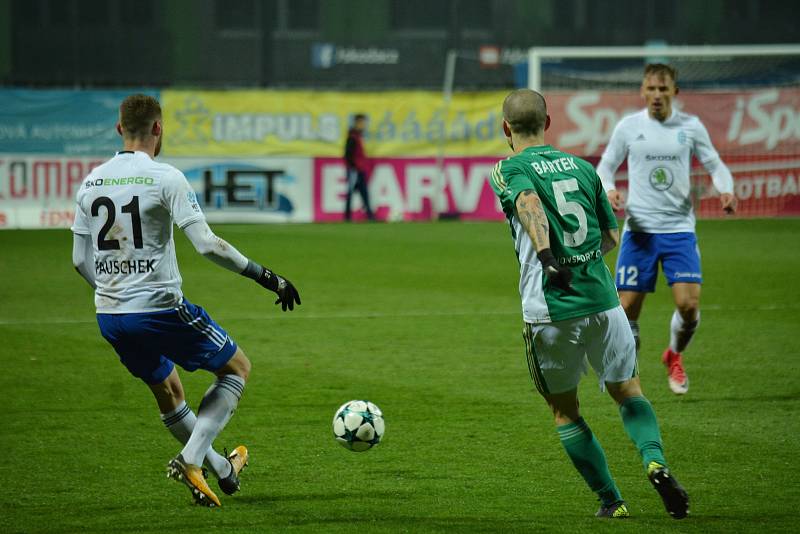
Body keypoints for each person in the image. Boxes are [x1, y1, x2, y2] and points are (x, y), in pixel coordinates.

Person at [71, 94, 301, 507]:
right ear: (158, 128)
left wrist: (113, 294)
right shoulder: (166, 178)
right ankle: (191, 459)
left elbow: (78, 260)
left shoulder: (91, 182)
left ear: (118, 129)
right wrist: (268, 277)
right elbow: (209, 245)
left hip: (109, 314)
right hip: (158, 308)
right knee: (236, 369)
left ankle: (221, 469)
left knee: (169, 390)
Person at [490, 89, 689, 519]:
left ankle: (612, 501)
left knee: (564, 410)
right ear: (549, 121)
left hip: (551, 309)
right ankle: (654, 461)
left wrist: (547, 258)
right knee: (628, 391)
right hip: (605, 302)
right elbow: (611, 236)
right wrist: (582, 261)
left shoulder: (508, 168)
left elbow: (528, 203)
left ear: (506, 128)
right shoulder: (583, 168)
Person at [596, 63, 737, 395]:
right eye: (651, 88)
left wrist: (725, 189)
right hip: (640, 232)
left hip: (679, 231)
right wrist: (609, 189)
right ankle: (625, 372)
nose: (656, 95)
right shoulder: (629, 127)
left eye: (663, 89)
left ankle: (674, 354)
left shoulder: (690, 126)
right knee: (626, 308)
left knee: (689, 307)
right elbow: (605, 166)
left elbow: (715, 164)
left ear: (675, 92)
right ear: (642, 91)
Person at [343, 113, 375, 221]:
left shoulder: (358, 136)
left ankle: (370, 215)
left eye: (364, 123)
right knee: (351, 192)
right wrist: (353, 167)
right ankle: (347, 217)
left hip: (360, 170)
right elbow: (347, 154)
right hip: (354, 170)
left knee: (364, 193)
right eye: (361, 123)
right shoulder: (352, 137)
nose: (363, 125)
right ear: (356, 123)